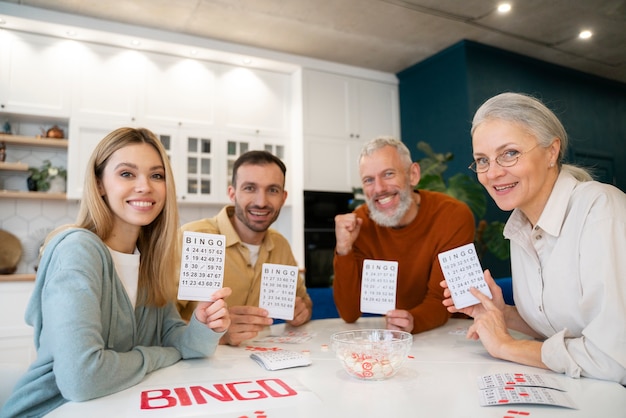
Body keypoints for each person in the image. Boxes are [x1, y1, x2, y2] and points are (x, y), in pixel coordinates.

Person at [0, 128, 231, 418]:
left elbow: (182, 343)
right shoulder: (78, 250)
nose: (145, 186)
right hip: (52, 410)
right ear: (99, 184)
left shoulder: (149, 259)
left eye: (157, 176)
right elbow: (81, 380)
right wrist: (164, 354)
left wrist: (203, 324)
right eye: (126, 174)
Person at [441, 92, 626, 384]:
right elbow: (561, 330)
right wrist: (503, 313)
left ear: (552, 152)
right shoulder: (520, 227)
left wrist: (507, 345)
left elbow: (614, 358)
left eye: (510, 153)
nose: (493, 173)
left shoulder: (600, 208)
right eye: (482, 160)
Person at [333, 136, 476, 334]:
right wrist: (343, 249)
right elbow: (349, 313)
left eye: (388, 174)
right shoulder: (359, 224)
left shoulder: (452, 215)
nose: (379, 188)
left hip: (454, 332)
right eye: (369, 180)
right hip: (397, 335)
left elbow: (441, 300)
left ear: (413, 175)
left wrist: (412, 321)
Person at [178, 150, 312, 346]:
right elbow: (158, 323)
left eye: (272, 190)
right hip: (196, 365)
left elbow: (304, 301)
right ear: (232, 193)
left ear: (283, 198)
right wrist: (217, 334)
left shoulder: (281, 244)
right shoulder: (192, 238)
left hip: (262, 361)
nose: (261, 202)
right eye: (250, 188)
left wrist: (303, 311)